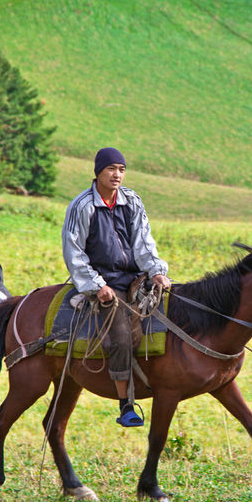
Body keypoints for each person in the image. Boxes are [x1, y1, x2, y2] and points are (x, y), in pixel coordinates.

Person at [61, 147, 171, 427]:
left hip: (135, 277)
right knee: (122, 336)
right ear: (98, 172)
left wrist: (156, 271)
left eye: (121, 169)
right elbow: (74, 251)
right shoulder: (82, 206)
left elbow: (144, 242)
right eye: (111, 169)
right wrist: (96, 285)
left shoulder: (132, 200)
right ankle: (126, 405)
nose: (117, 175)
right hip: (105, 282)